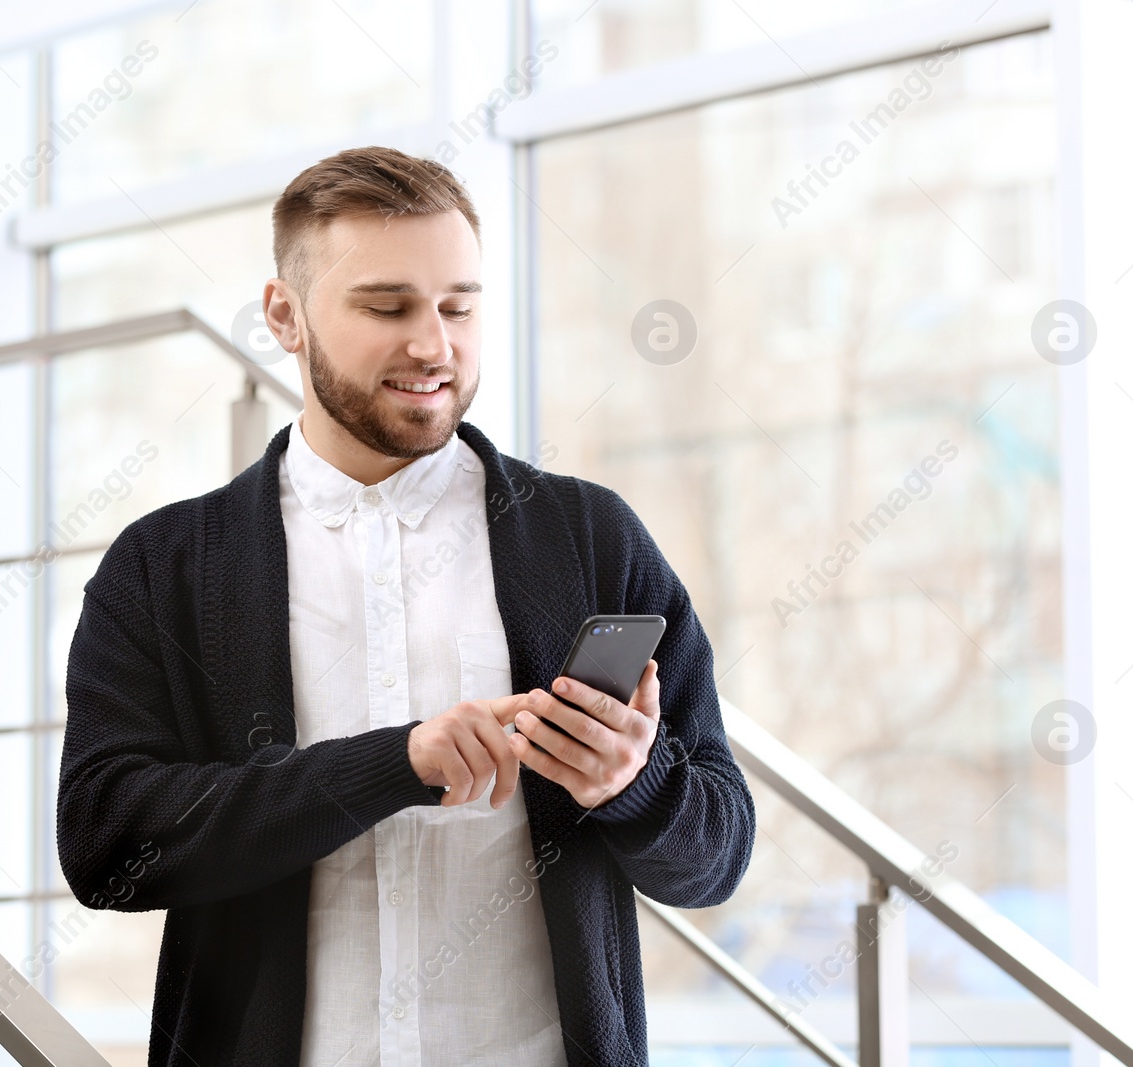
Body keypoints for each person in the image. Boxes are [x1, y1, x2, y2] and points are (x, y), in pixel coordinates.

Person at [57, 145, 755, 1067]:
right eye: (387, 307)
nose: (433, 344)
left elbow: (717, 853)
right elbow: (108, 843)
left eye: (459, 306)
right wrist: (393, 764)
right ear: (285, 316)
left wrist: (634, 784)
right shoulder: (166, 565)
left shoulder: (591, 538)